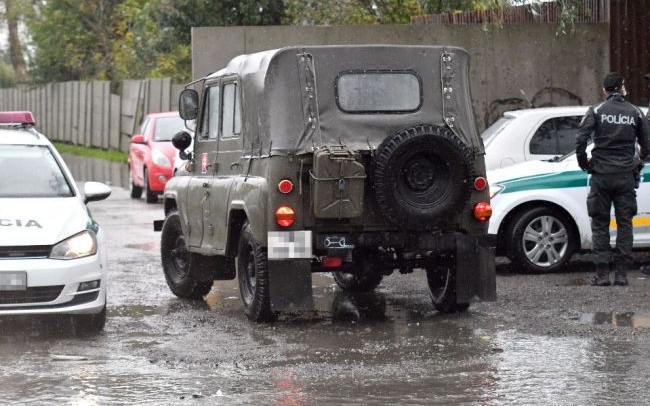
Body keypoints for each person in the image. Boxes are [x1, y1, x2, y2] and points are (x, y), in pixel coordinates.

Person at [576, 72, 650, 286]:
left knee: (600, 223)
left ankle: (601, 275)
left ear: (605, 90)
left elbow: (580, 141)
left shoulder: (597, 110)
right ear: (622, 88)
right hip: (625, 176)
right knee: (625, 223)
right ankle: (621, 275)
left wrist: (585, 163)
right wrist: (639, 162)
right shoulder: (635, 112)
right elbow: (647, 144)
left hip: (601, 175)